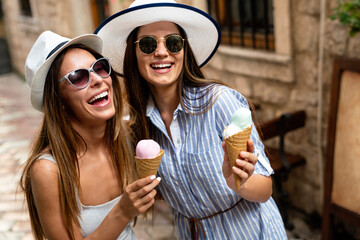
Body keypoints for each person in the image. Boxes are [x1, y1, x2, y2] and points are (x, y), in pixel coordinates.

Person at [95, 0, 287, 239]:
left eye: (173, 43)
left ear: (184, 51)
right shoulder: (138, 127)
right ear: (133, 54)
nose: (162, 52)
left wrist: (237, 180)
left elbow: (265, 190)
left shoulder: (220, 102)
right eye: (147, 44)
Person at [20, 30, 161, 240]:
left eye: (100, 67)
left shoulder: (126, 139)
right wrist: (122, 212)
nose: (97, 80)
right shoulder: (48, 171)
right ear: (59, 101)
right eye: (78, 77)